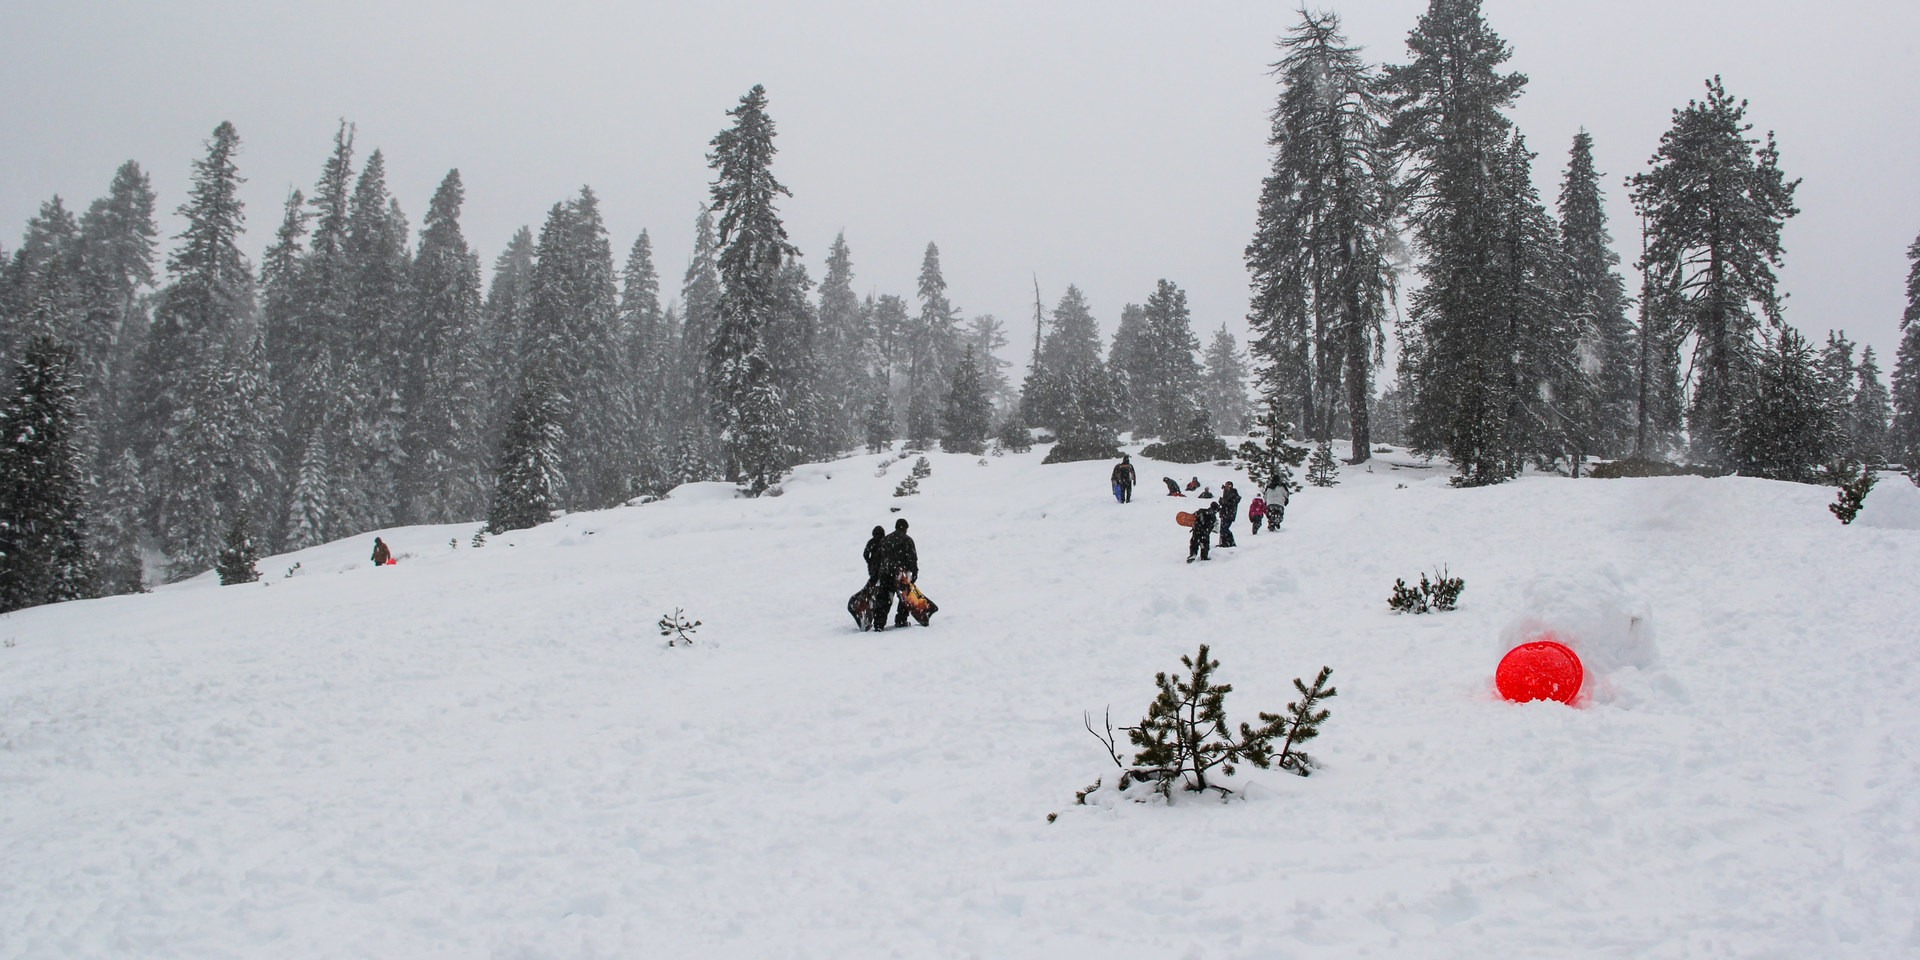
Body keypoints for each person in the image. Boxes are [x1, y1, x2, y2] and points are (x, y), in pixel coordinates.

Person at [876, 518, 920, 629]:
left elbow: (878, 558)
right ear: (905, 528)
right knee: (904, 597)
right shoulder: (907, 540)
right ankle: (901, 620)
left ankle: (879, 623)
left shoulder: (885, 540)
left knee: (884, 599)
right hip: (899, 574)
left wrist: (877, 574)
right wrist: (914, 573)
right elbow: (912, 558)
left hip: (885, 573)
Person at [1187, 495, 1217, 563]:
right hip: (1204, 532)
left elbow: (1193, 517)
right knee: (1204, 544)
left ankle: (1193, 554)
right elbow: (1211, 527)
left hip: (1197, 529)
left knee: (1194, 543)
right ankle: (1204, 556)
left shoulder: (1201, 510)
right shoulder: (1213, 517)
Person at [1217, 481, 1241, 548]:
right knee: (1223, 529)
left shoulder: (1233, 493)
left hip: (1229, 514)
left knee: (1225, 528)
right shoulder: (1227, 493)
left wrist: (1223, 502)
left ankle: (1230, 542)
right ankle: (1225, 542)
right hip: (1226, 513)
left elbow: (1231, 503)